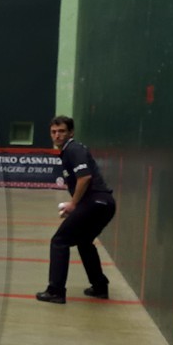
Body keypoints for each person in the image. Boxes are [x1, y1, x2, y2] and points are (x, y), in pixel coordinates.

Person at [37, 115, 116, 303]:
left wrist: (73, 204)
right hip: (104, 204)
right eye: (54, 132)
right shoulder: (68, 152)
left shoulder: (73, 149)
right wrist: (75, 207)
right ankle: (99, 287)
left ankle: (55, 291)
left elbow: (85, 177)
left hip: (95, 202)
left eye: (62, 131)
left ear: (70, 132)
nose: (57, 135)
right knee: (83, 241)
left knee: (59, 241)